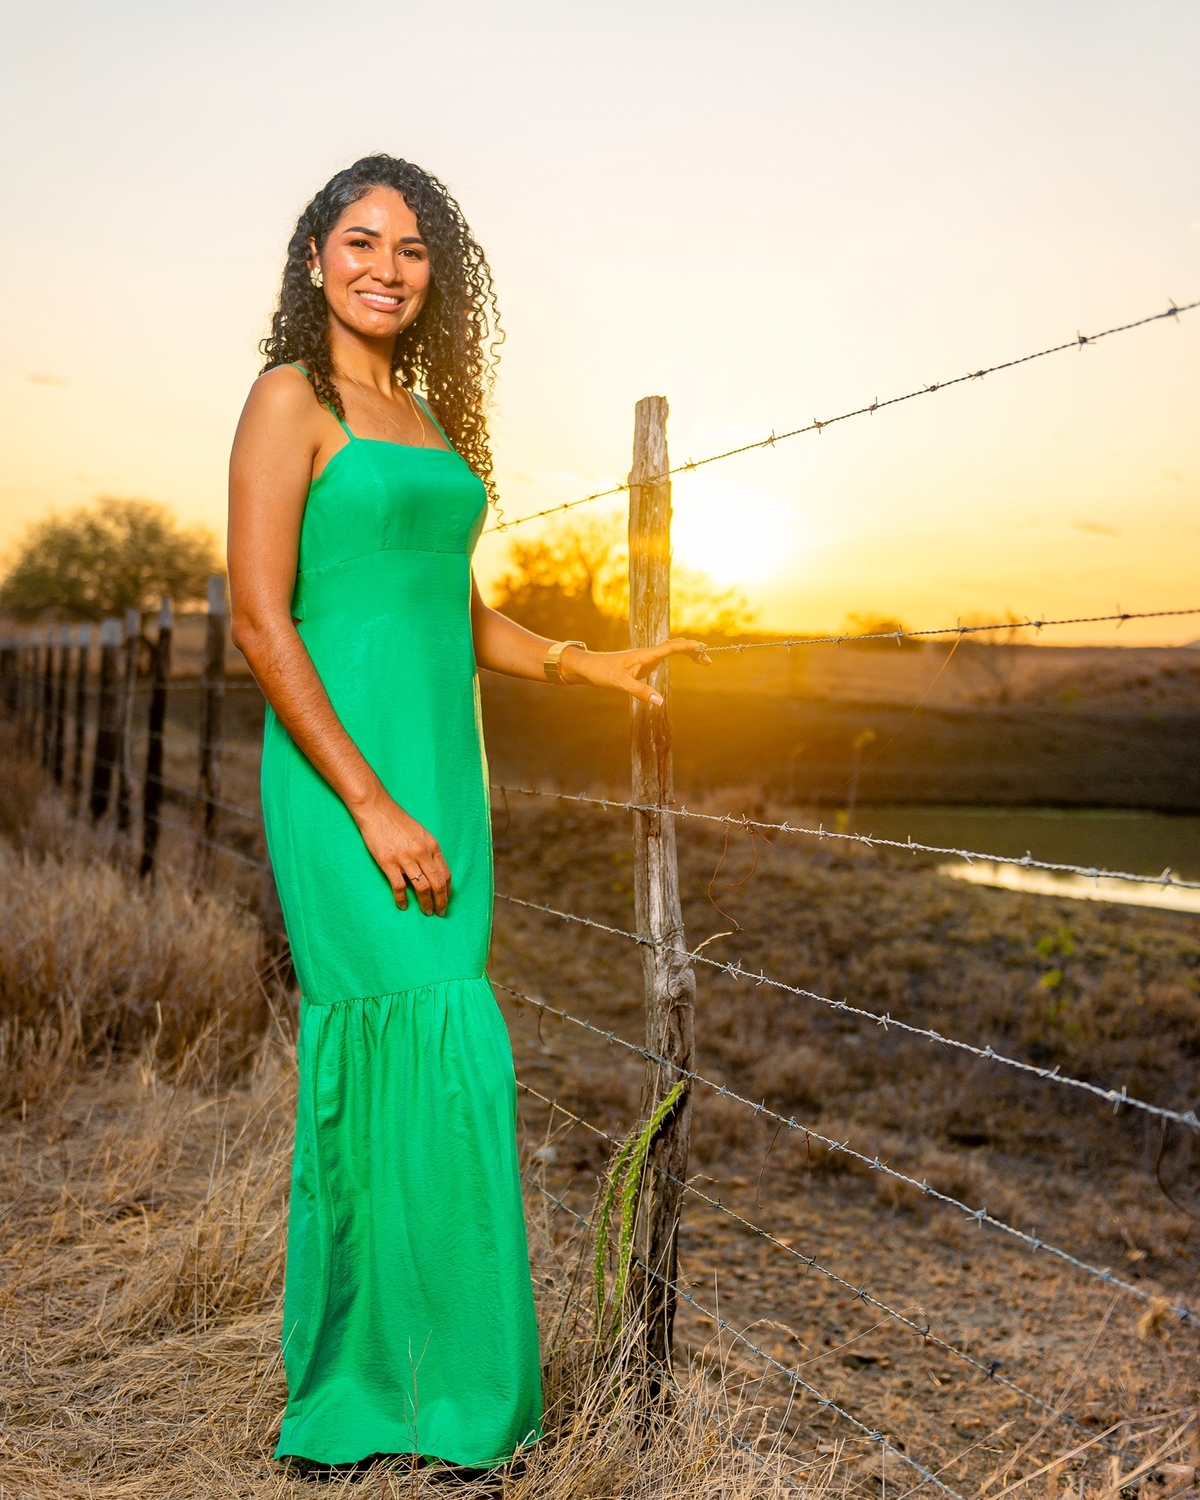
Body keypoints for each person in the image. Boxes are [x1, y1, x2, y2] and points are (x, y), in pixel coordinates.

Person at [227, 153, 707, 1477]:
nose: (386, 266)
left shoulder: (428, 419)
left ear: (442, 275)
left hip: (448, 772)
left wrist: (576, 661)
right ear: (315, 255)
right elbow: (263, 621)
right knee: (420, 1060)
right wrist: (370, 803)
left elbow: (450, 605)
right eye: (361, 239)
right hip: (345, 783)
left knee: (442, 1075)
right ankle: (363, 1395)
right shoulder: (291, 400)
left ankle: (451, 1401)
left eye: (415, 247)